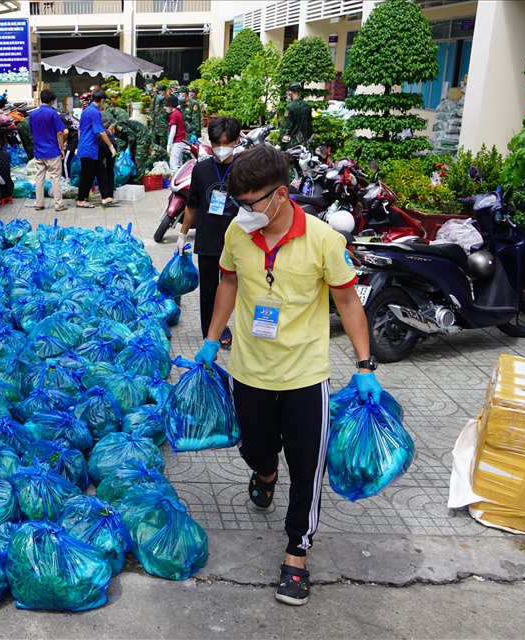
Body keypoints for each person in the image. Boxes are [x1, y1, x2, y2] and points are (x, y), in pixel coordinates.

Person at [194, 145, 381, 607]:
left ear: (280, 195)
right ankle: (265, 469)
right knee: (255, 447)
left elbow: (349, 302)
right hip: (250, 369)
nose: (245, 212)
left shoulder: (323, 240)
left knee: (308, 468)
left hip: (304, 375)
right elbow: (229, 284)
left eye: (252, 202)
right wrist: (211, 340)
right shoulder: (239, 232)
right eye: (239, 202)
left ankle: (297, 553)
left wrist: (364, 366)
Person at [178, 116, 240, 349]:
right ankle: (212, 332)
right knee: (209, 291)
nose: (220, 148)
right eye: (216, 143)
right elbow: (192, 204)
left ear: (236, 140)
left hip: (238, 241)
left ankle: (240, 328)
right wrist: (182, 235)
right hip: (208, 238)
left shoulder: (243, 168)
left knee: (238, 287)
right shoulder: (202, 169)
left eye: (225, 142)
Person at [75, 89, 117, 208]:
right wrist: (111, 146)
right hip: (89, 148)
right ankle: (81, 200)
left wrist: (80, 144)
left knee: (100, 172)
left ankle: (105, 198)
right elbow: (101, 132)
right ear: (102, 100)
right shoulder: (94, 112)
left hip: (87, 146)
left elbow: (80, 130)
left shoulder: (86, 110)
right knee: (86, 175)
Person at [28, 88, 68, 212]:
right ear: (52, 101)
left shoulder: (32, 114)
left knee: (39, 177)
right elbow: (60, 133)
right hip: (52, 151)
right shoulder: (52, 113)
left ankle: (39, 203)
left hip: (39, 151)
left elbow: (31, 130)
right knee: (55, 178)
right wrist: (62, 148)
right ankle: (58, 204)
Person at [281, 83, 313, 149]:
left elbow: (286, 128)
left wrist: (280, 143)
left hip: (291, 145)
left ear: (290, 92)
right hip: (305, 144)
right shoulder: (307, 106)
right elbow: (310, 126)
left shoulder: (290, 107)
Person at [165, 95, 188, 173]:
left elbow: (173, 131)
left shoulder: (174, 115)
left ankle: (174, 182)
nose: (166, 108)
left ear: (171, 106)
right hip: (181, 141)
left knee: (174, 165)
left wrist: (169, 144)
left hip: (178, 142)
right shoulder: (178, 112)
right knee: (179, 163)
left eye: (167, 106)